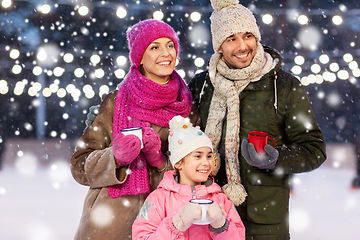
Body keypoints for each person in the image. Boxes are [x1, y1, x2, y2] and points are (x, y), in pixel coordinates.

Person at [187, 0, 327, 239]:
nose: (243, 46)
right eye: (232, 39)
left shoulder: (284, 86)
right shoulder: (203, 86)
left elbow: (314, 149)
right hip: (209, 214)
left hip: (264, 223)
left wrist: (277, 159)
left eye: (248, 35)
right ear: (219, 46)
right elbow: (185, 142)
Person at [70, 19, 198, 240]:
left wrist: (160, 162)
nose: (165, 53)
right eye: (154, 47)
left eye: (170, 45)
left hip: (165, 225)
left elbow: (199, 168)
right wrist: (115, 158)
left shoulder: (186, 108)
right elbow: (80, 166)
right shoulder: (115, 102)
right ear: (139, 57)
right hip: (108, 225)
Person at [132, 115, 245, 239]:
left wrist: (221, 225)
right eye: (198, 156)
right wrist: (176, 224)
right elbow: (141, 237)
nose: (206, 163)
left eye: (209, 156)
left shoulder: (221, 200)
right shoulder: (159, 199)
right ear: (179, 163)